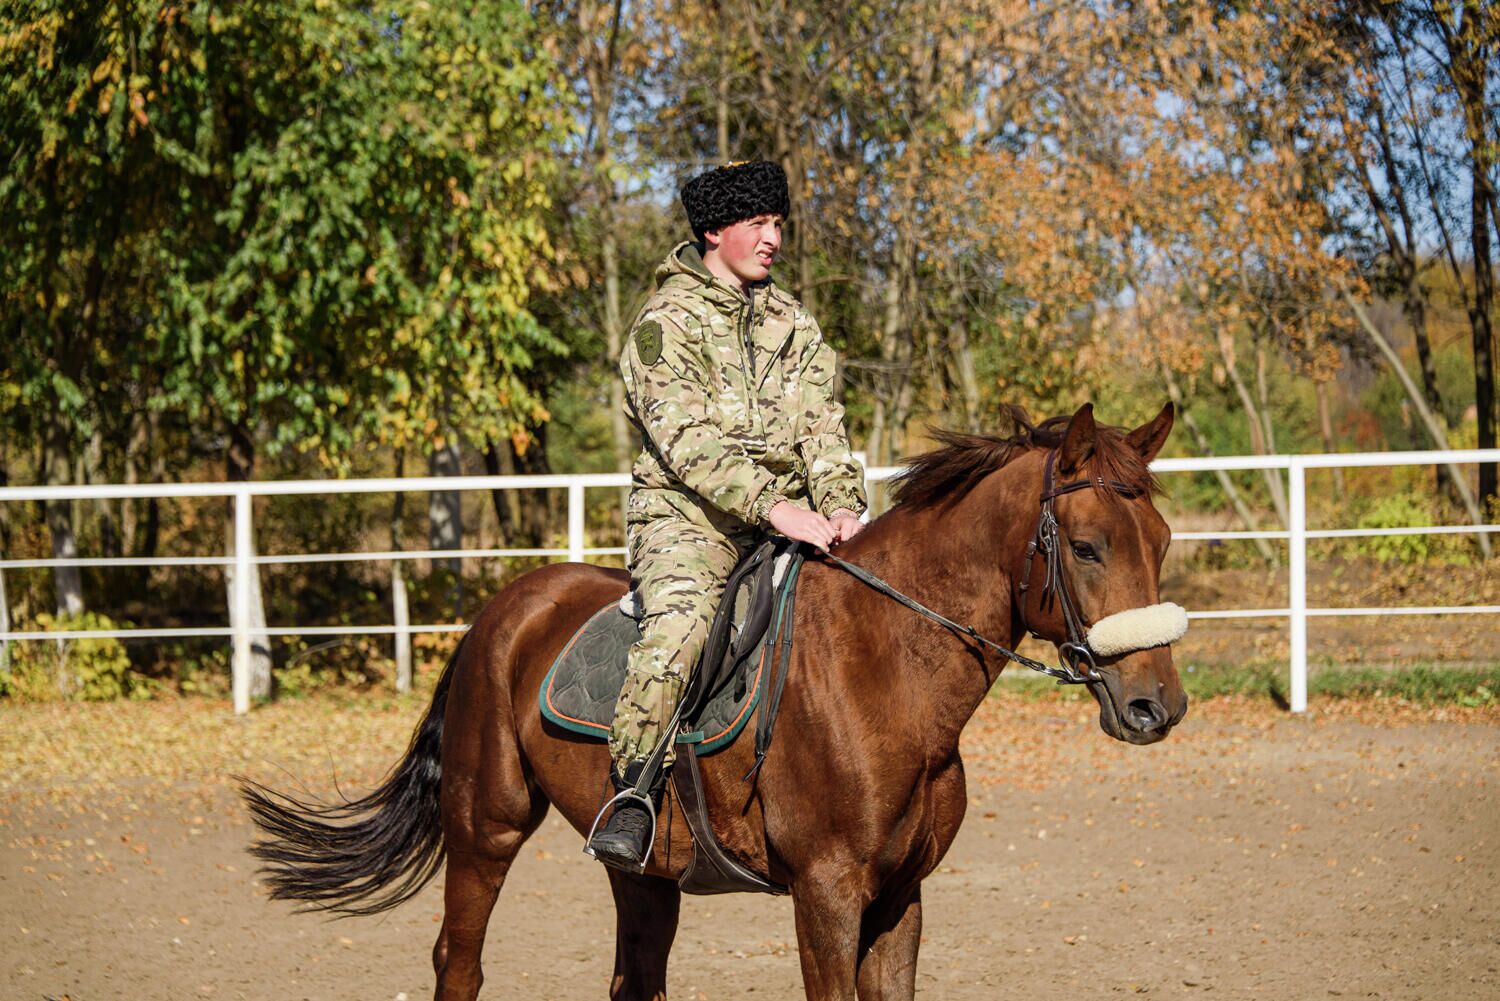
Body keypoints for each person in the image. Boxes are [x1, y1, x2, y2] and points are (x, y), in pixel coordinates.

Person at [586, 160, 867, 870]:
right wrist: (774, 507)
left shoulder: (793, 323)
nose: (773, 238)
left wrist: (840, 506)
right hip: (688, 518)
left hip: (790, 516)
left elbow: (822, 429)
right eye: (757, 224)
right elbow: (688, 444)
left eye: (777, 223)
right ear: (714, 230)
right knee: (680, 626)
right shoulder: (663, 323)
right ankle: (634, 790)